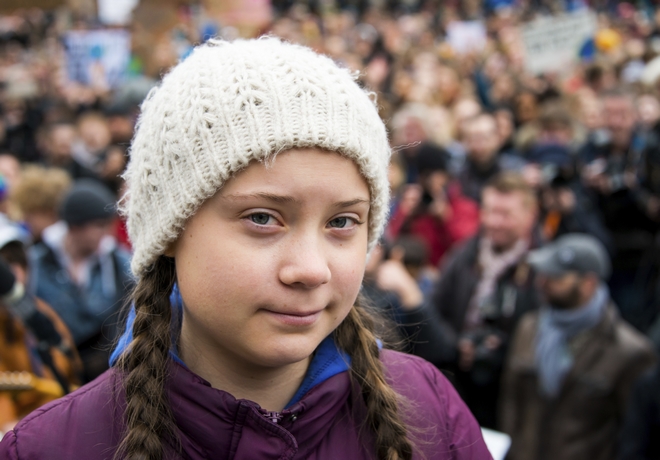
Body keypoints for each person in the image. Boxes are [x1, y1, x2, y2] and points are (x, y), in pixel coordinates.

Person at [0, 38, 491, 460]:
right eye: (262, 218)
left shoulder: (429, 412)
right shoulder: (50, 446)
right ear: (170, 228)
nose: (310, 269)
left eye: (342, 222)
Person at [500, 234, 656, 460]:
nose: (542, 282)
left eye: (556, 277)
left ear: (588, 284)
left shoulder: (629, 353)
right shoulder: (528, 329)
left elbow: (633, 436)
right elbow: (511, 402)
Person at [418, 171, 542, 428]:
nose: (494, 222)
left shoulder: (540, 269)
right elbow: (436, 307)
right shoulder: (464, 254)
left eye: (505, 214)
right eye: (490, 212)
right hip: (458, 378)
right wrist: (457, 344)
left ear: (530, 216)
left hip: (510, 394)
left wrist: (502, 349)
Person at [28, 179, 133, 382]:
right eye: (99, 225)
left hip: (106, 374)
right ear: (75, 227)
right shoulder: (36, 262)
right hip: (53, 374)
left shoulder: (119, 263)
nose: (107, 233)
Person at [0, 217, 81, 432]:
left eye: (18, 263)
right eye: (6, 266)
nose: (15, 273)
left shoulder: (39, 312)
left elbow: (68, 365)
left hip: (56, 417)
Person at [458, 113, 526, 202]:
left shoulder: (517, 171)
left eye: (484, 138)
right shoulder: (458, 175)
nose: (478, 146)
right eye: (472, 139)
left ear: (497, 138)